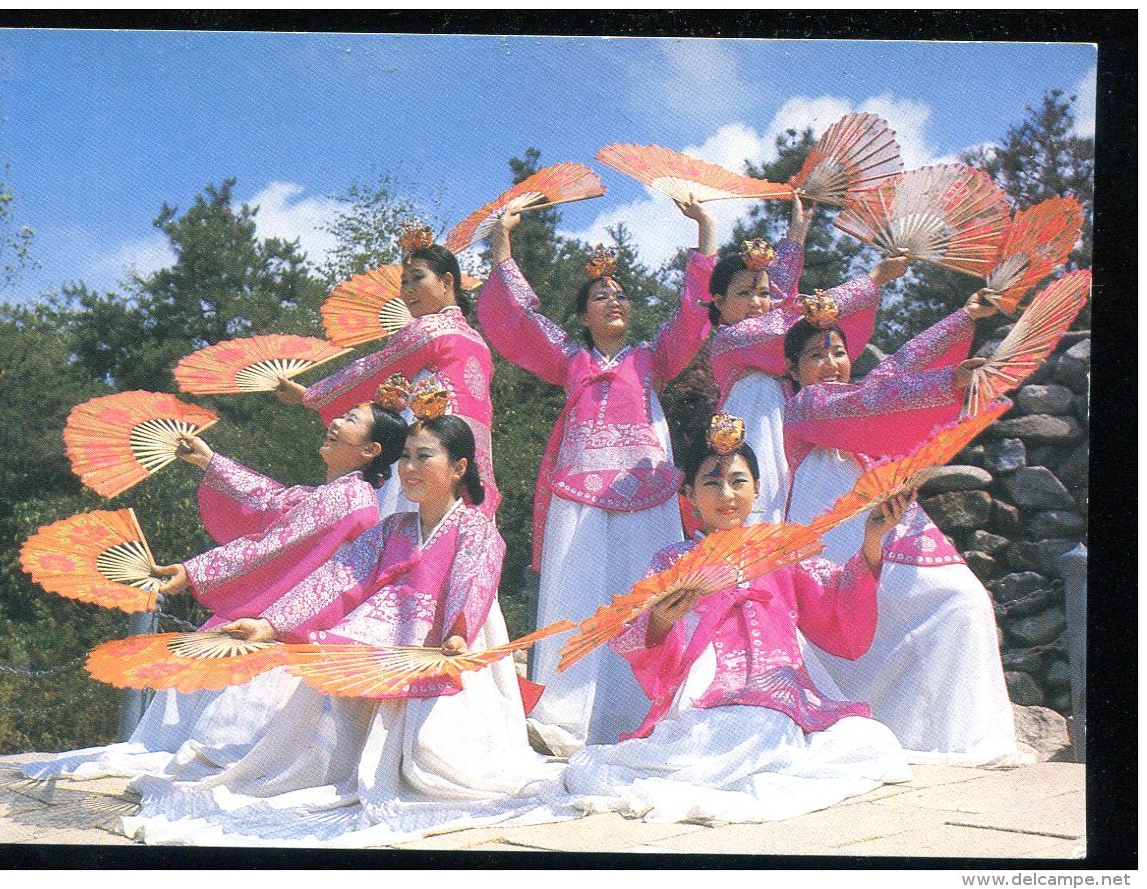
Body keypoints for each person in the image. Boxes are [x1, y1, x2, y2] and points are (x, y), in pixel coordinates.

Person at [122, 413, 562, 847]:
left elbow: (473, 578)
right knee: (324, 667)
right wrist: (270, 623)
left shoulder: (474, 527)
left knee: (438, 759)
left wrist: (457, 632)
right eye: (404, 457)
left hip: (449, 644)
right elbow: (337, 578)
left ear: (459, 467)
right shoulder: (392, 529)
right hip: (380, 633)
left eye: (423, 457)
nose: (408, 468)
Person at [19, 402, 408, 782]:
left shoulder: (346, 498)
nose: (336, 422)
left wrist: (193, 571)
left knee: (208, 669)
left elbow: (272, 544)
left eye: (351, 419)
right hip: (289, 613)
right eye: (342, 414)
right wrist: (210, 461)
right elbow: (271, 501)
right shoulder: (339, 493)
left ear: (370, 450)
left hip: (294, 620)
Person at [557, 415, 913, 824]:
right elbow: (639, 639)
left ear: (758, 488)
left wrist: (872, 539)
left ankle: (751, 757)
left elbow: (834, 601)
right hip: (707, 690)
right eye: (711, 482)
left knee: (872, 741)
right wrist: (661, 621)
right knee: (753, 732)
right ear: (688, 494)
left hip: (783, 683)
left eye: (739, 481)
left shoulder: (779, 548)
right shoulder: (673, 561)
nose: (726, 493)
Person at [477, 196, 718, 754]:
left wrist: (705, 230)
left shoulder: (652, 357)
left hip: (646, 488)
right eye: (600, 296)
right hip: (578, 491)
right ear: (583, 314)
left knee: (646, 597)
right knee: (575, 597)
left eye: (621, 294)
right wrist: (502, 242)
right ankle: (563, 721)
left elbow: (691, 314)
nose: (614, 301)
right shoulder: (569, 359)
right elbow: (520, 320)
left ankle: (649, 709)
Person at [783, 292, 1030, 767]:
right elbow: (877, 396)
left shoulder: (852, 399)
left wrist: (965, 314)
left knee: (963, 598)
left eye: (838, 352)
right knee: (854, 625)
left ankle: (958, 735)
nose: (831, 363)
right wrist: (949, 382)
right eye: (815, 355)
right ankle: (866, 727)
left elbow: (898, 366)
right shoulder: (806, 408)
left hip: (884, 517)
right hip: (831, 528)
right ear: (793, 371)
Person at [707, 194, 908, 523]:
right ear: (719, 302)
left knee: (792, 501)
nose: (758, 302)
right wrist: (873, 280)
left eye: (763, 293)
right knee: (757, 504)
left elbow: (783, 290)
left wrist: (798, 228)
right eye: (744, 293)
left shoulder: (765, 332)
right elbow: (797, 319)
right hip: (751, 423)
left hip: (787, 420)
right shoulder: (731, 340)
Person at [276, 222, 499, 518]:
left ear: (447, 281)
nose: (408, 291)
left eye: (417, 278)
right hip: (471, 446)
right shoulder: (478, 341)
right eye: (403, 282)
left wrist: (311, 395)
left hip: (429, 437)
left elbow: (371, 371)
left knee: (409, 520)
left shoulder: (429, 329)